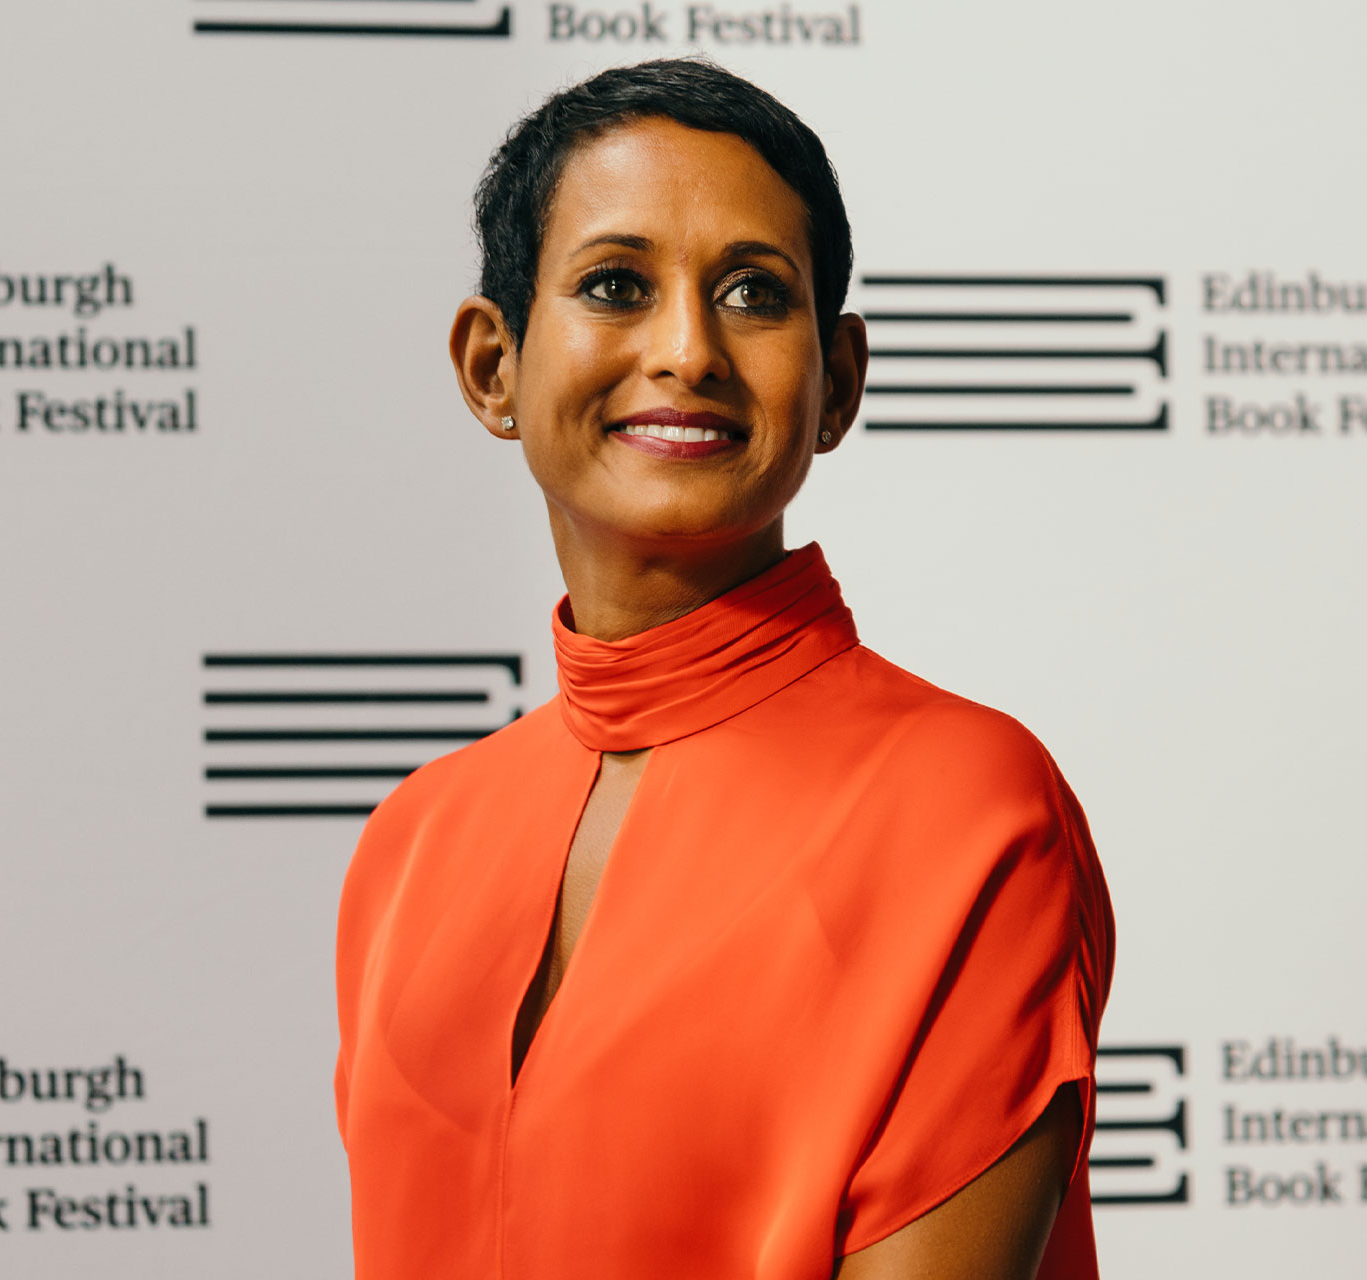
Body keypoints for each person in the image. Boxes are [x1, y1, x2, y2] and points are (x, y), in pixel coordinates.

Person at [332, 58, 1115, 1280]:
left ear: (837, 380)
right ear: (493, 365)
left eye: (755, 292)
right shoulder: (411, 841)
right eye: (615, 285)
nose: (689, 348)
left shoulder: (968, 809)